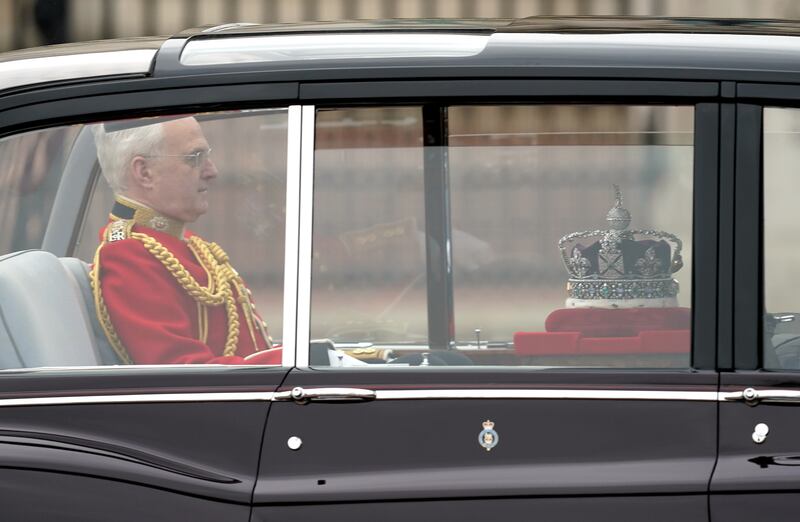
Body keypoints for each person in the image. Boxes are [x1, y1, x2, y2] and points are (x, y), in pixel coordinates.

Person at [90, 116, 280, 365]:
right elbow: (184, 374)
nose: (212, 171)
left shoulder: (184, 243)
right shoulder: (128, 255)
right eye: (195, 158)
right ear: (144, 172)